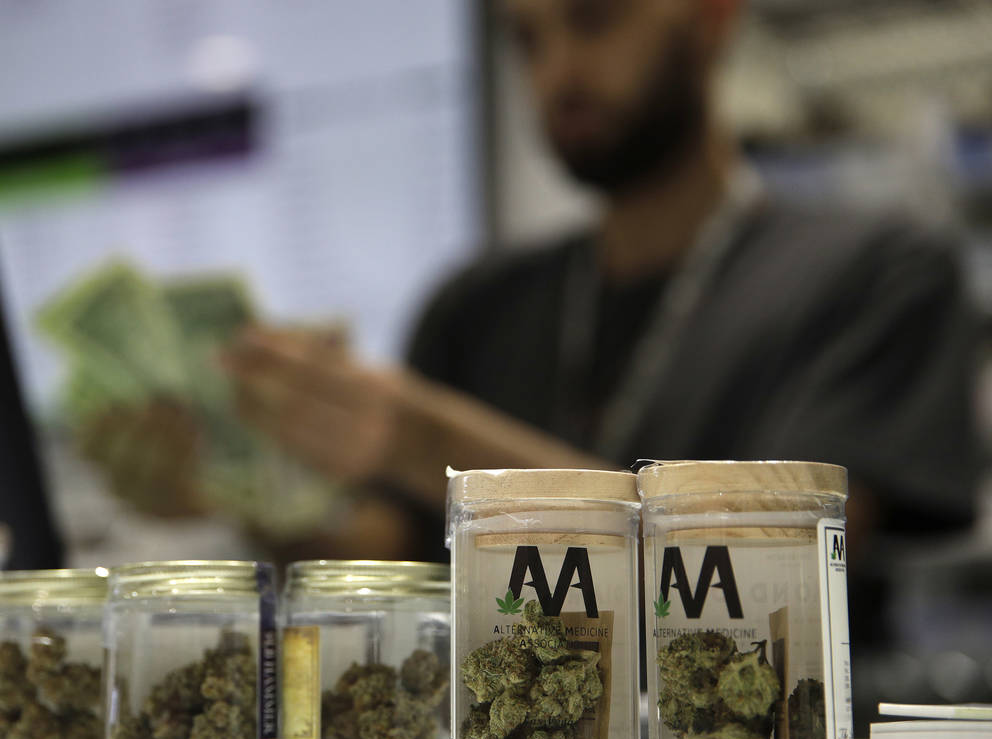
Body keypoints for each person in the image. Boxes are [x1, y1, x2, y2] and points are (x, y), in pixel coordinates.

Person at [225, 0, 980, 568]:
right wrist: (237, 493)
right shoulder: (476, 306)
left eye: (594, 19)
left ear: (712, 17)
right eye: (529, 42)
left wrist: (422, 439)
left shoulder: (875, 275)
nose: (558, 74)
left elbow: (777, 565)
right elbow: (392, 560)